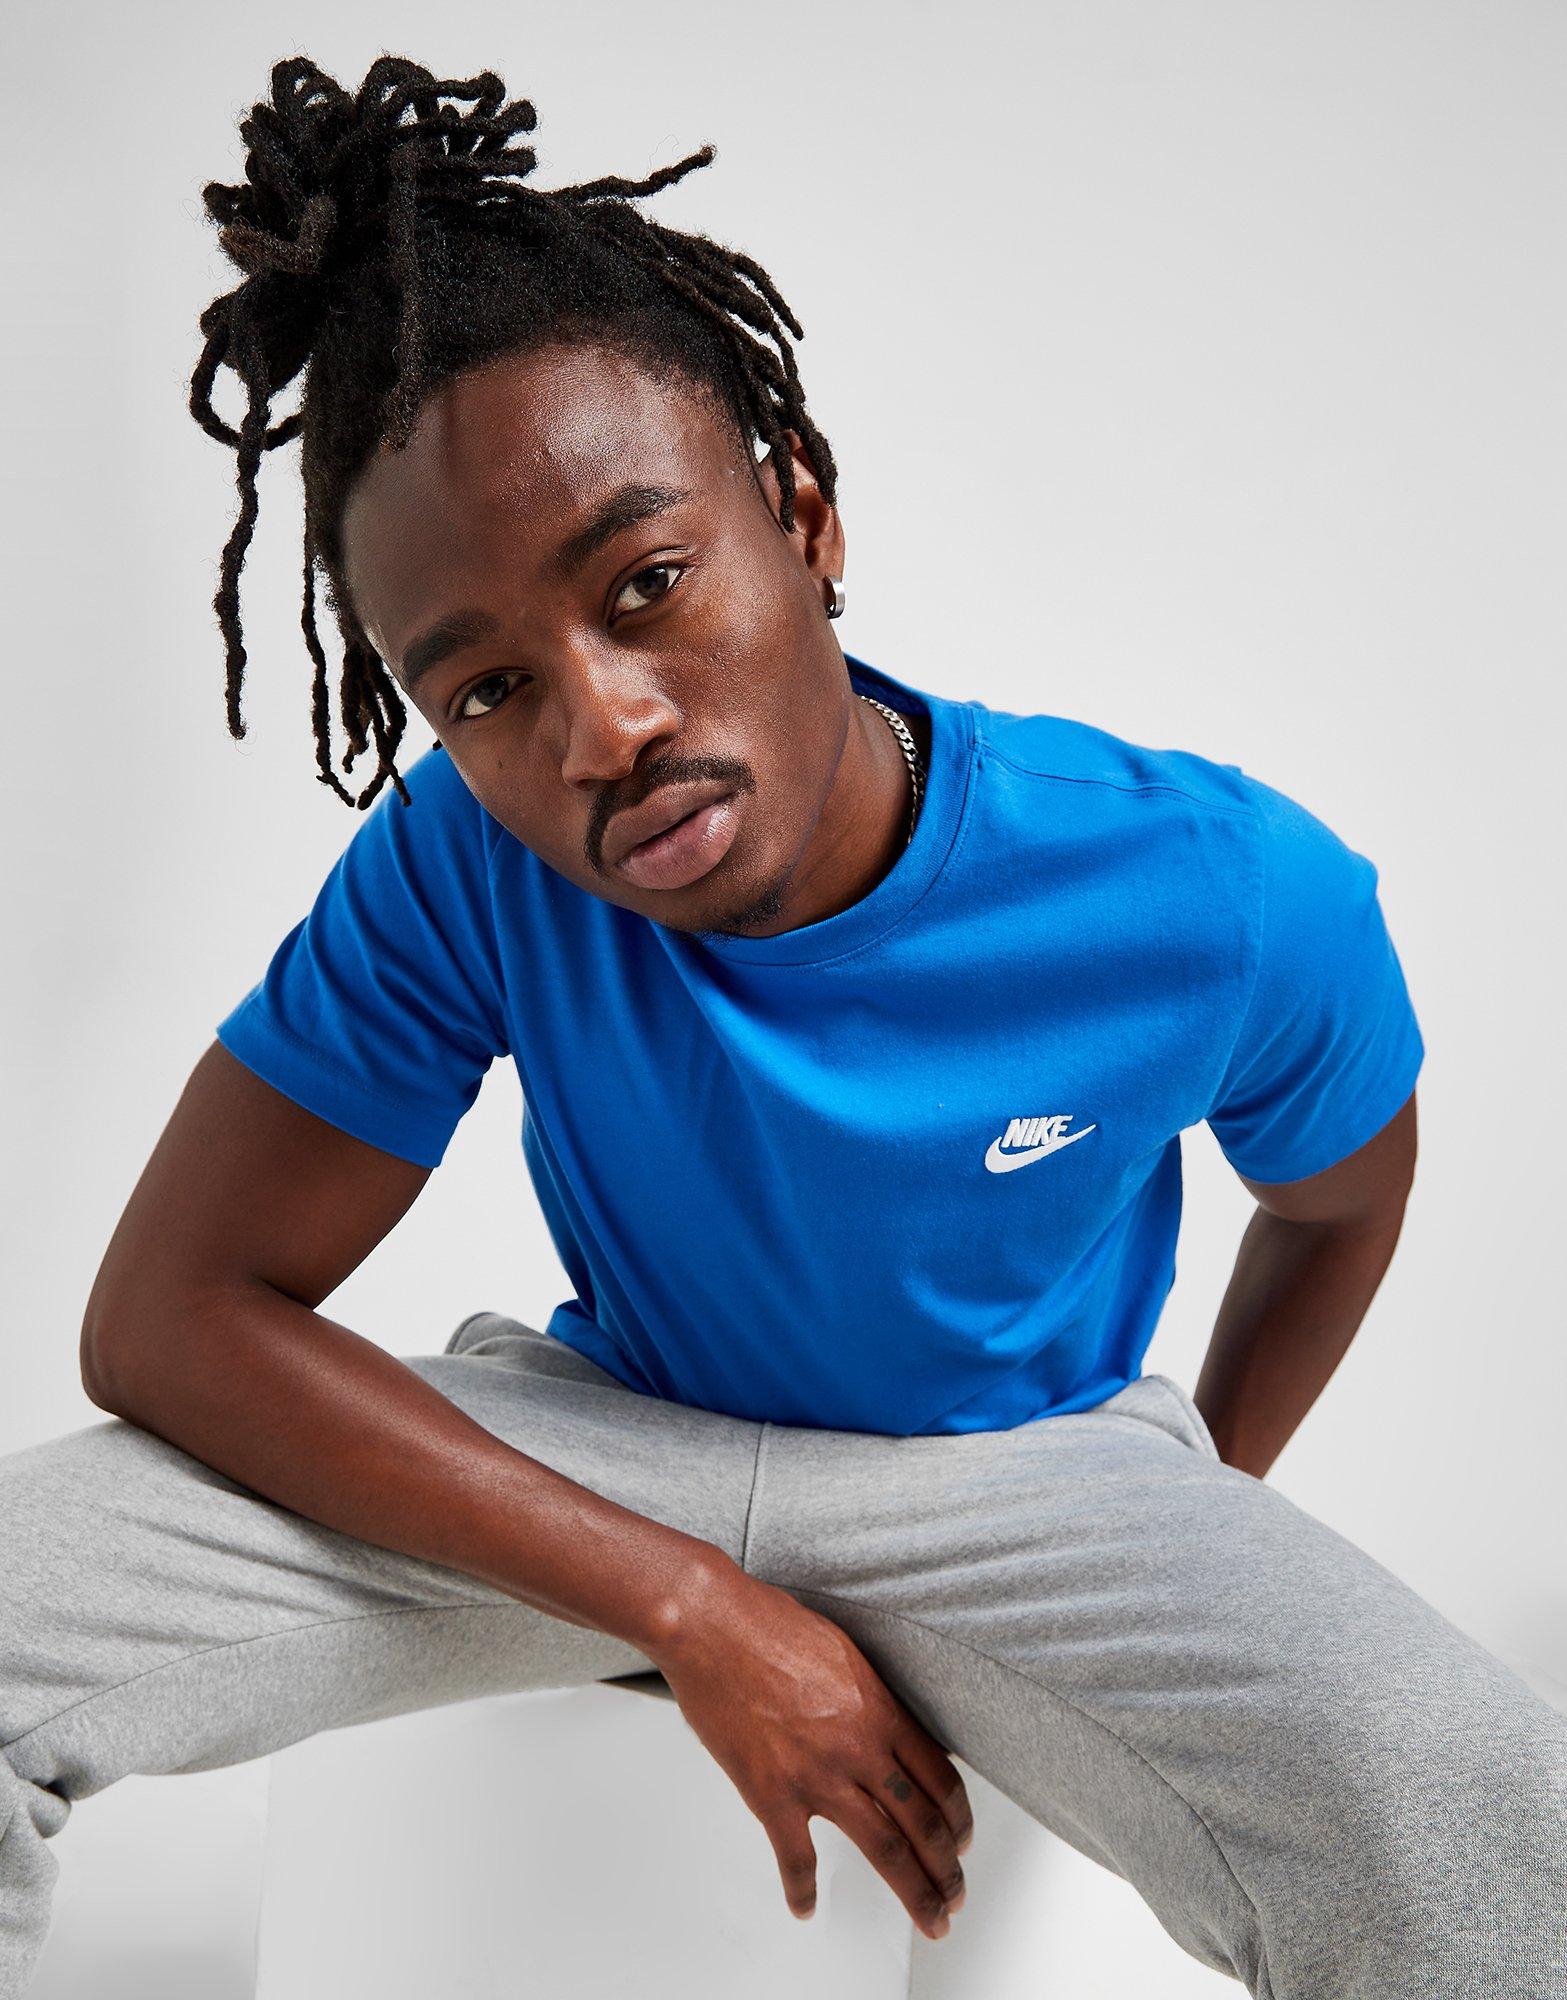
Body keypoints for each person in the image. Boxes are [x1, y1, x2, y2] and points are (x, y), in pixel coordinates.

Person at [1, 52, 1562, 1999]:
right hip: (611, 1447)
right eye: (483, 691)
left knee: (1482, 1807)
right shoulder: (463, 862)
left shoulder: (1215, 889)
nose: (600, 726)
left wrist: (1187, 1520)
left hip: (1015, 1482)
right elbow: (168, 1316)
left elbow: (1336, 1203)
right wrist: (685, 1602)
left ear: (802, 513)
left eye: (647, 582)